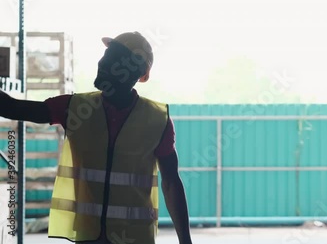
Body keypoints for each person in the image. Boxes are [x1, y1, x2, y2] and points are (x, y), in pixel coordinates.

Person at [0, 32, 193, 244]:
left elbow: (171, 183)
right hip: (88, 237)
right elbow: (12, 108)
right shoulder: (74, 109)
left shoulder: (157, 120)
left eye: (114, 58)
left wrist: (185, 241)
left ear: (137, 73)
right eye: (105, 55)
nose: (102, 62)